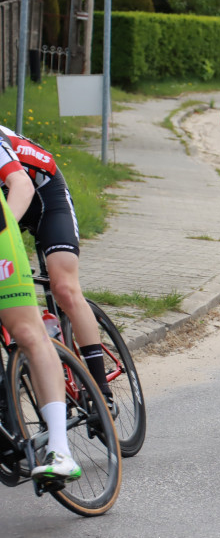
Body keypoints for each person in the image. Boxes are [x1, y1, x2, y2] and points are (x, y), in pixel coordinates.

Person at [0, 124, 118, 401]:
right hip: (6, 202)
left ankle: (100, 388)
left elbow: (21, 184)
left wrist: (6, 234)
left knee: (64, 287)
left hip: (43, 195)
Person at [0, 132, 83, 482]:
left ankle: (60, 450)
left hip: (6, 233)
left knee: (28, 330)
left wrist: (5, 233)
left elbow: (20, 182)